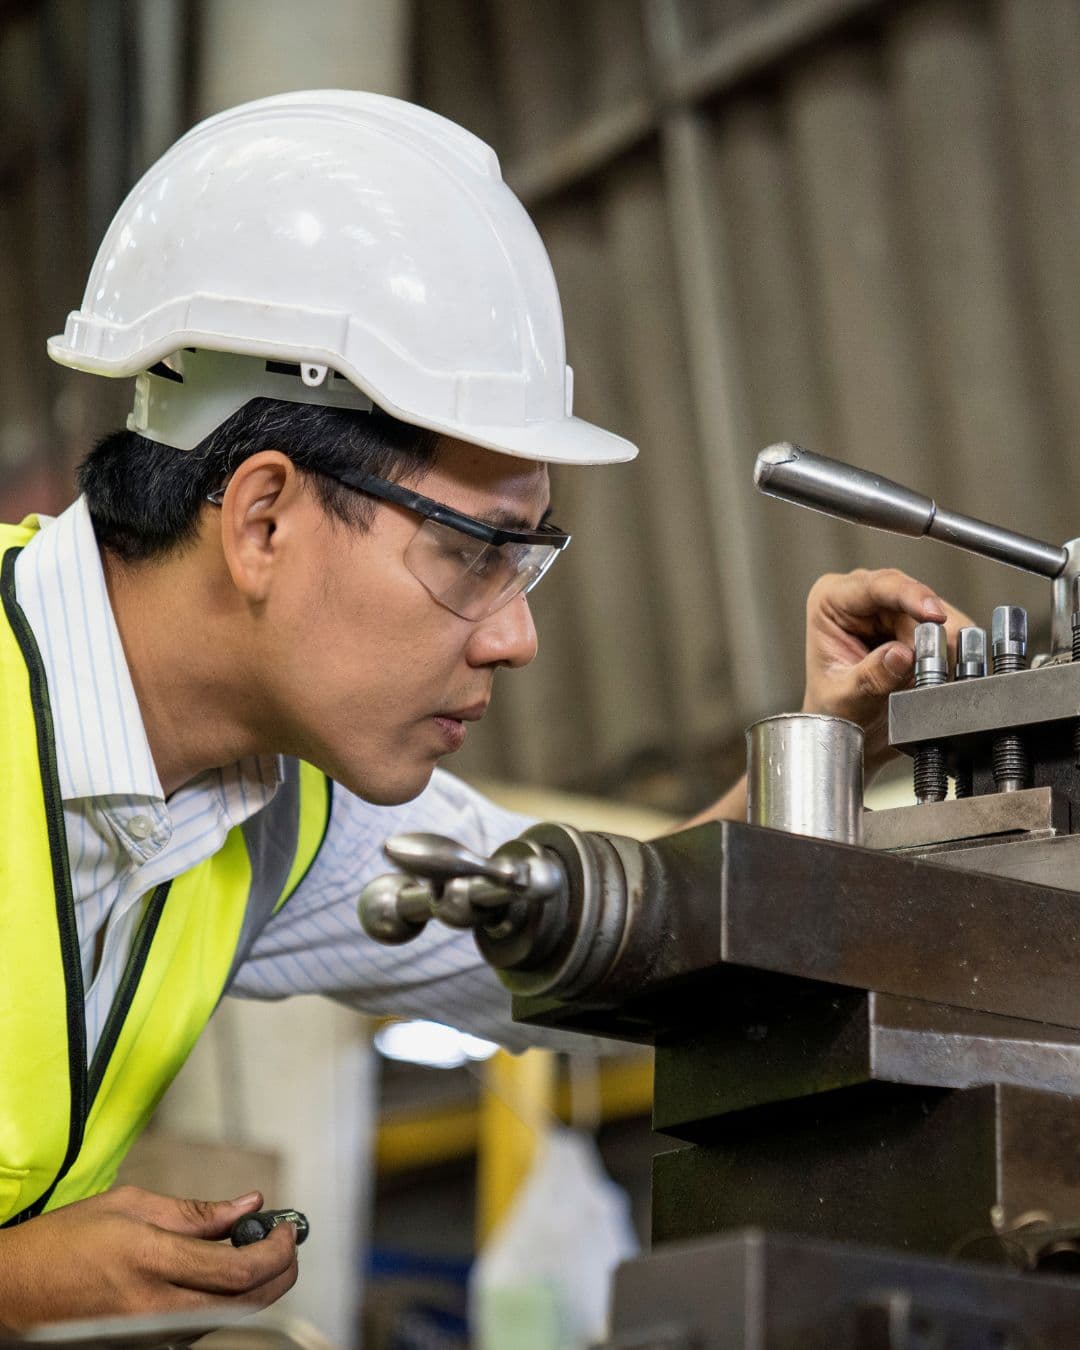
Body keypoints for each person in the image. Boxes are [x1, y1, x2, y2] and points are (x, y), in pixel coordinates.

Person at [0, 90, 964, 1329]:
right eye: (473, 554)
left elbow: (616, 944)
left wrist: (826, 745)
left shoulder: (274, 819)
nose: (517, 637)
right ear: (263, 518)